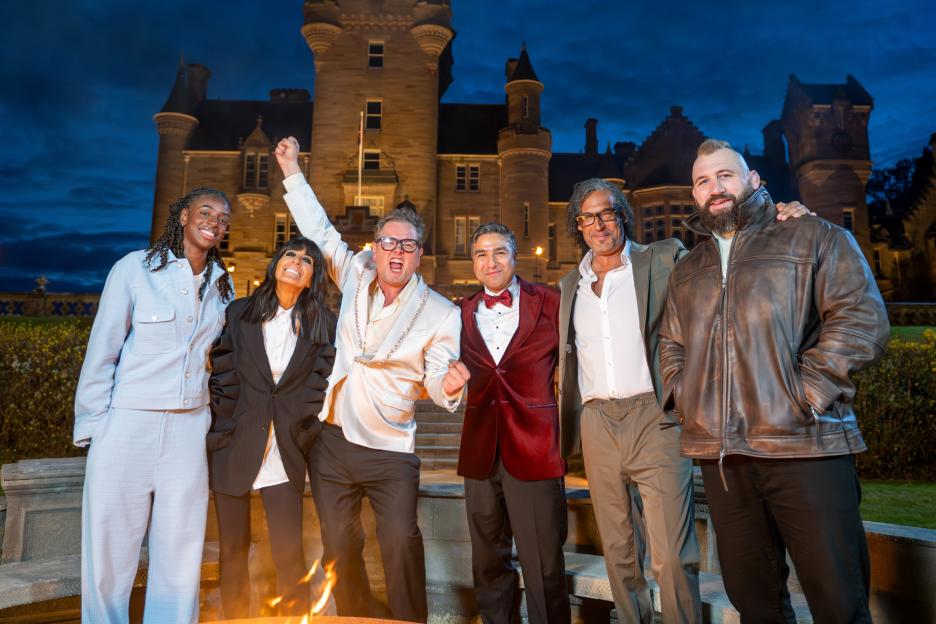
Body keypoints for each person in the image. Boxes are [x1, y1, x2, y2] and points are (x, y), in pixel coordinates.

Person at [556, 178, 810, 623]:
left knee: (672, 554)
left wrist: (775, 220)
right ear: (578, 226)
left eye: (607, 212)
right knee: (618, 550)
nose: (598, 224)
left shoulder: (661, 258)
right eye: (587, 217)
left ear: (623, 216)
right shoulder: (568, 287)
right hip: (596, 423)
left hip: (654, 416)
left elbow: (724, 258)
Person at [659, 139, 889, 623]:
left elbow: (861, 320)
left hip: (805, 446)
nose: (715, 187)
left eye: (725, 175)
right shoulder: (689, 269)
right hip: (726, 460)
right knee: (755, 603)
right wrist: (686, 398)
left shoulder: (813, 236)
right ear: (694, 195)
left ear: (753, 180)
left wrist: (808, 395)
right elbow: (671, 345)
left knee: (838, 601)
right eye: (703, 180)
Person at [274, 136, 470, 623]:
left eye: (407, 245)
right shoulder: (357, 274)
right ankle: (358, 616)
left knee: (401, 542)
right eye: (388, 243)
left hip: (390, 451)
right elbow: (319, 232)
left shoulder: (442, 313)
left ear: (418, 254)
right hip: (332, 442)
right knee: (339, 545)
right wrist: (291, 170)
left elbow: (438, 376)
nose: (396, 251)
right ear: (376, 249)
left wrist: (449, 386)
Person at [74, 187, 235, 623]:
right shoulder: (135, 268)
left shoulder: (223, 284)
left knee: (181, 553)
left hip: (189, 428)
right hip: (128, 423)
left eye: (223, 219)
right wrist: (95, 427)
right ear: (183, 216)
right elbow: (103, 348)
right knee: (109, 550)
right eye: (206, 212)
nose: (215, 223)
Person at [207, 236, 337, 618]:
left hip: (284, 448)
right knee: (232, 550)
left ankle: (293, 618)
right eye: (290, 254)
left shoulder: (322, 323)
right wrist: (227, 419)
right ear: (276, 262)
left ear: (313, 277)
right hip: (235, 443)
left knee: (288, 552)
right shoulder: (240, 313)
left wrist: (301, 425)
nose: (296, 262)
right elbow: (222, 369)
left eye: (307, 260)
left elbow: (322, 379)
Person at [456, 223, 569, 624]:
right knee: (487, 563)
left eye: (499, 252)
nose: (491, 262)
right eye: (481, 254)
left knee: (544, 565)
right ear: (473, 263)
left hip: (535, 448)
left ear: (514, 257)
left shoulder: (552, 302)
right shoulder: (459, 312)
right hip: (480, 451)